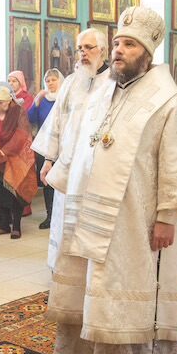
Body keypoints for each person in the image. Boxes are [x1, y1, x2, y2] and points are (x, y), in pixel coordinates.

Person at [44, 6, 177, 354]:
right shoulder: (103, 89)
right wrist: (64, 174)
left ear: (147, 53)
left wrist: (167, 216)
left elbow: (176, 160)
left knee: (126, 290)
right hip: (93, 210)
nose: (119, 50)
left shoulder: (166, 99)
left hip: (137, 219)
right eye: (117, 42)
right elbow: (80, 138)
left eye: (129, 45)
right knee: (94, 288)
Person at [32, 28, 110, 256]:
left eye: (89, 47)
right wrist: (48, 160)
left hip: (97, 168)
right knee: (66, 223)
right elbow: (56, 121)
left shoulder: (114, 83)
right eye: (80, 48)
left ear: (102, 50)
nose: (83, 53)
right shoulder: (70, 83)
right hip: (68, 165)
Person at [0, 83, 37, 239]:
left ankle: (16, 226)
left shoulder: (18, 111)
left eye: (0, 102)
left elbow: (22, 135)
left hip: (16, 158)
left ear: (9, 101)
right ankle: (4, 224)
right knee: (0, 192)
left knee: (15, 192)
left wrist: (5, 151)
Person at [28, 68, 64, 229]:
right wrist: (36, 101)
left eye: (53, 80)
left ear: (60, 81)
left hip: (62, 146)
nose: (50, 83)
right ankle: (50, 216)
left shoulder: (64, 97)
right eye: (47, 81)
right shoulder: (43, 100)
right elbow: (30, 118)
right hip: (45, 146)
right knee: (47, 181)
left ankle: (61, 215)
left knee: (61, 181)